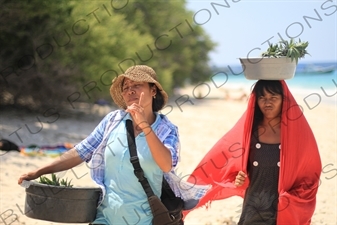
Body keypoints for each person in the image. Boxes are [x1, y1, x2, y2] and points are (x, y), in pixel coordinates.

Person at [18, 65, 209, 225]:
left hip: (147, 220)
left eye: (137, 85)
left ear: (153, 91)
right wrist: (39, 172)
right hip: (106, 217)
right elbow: (80, 152)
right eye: (126, 87)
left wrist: (143, 124)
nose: (130, 90)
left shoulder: (167, 129)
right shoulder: (113, 121)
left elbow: (167, 164)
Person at [183, 80, 322, 224]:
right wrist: (239, 178)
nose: (267, 103)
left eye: (273, 98)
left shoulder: (295, 133)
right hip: (253, 203)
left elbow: (311, 172)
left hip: (281, 207)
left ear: (284, 99)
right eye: (262, 98)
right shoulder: (250, 131)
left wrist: (290, 198)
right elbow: (232, 163)